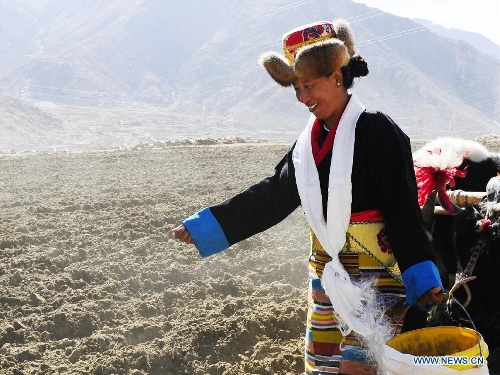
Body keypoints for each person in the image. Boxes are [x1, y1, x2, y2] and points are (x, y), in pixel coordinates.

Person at [172, 18, 443, 375]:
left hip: (377, 279)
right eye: (296, 88)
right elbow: (273, 196)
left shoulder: (379, 131)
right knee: (324, 367)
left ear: (336, 76)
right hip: (329, 278)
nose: (302, 98)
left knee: (363, 368)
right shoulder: (305, 146)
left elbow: (401, 210)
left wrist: (422, 279)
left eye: (309, 85)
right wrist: (208, 225)